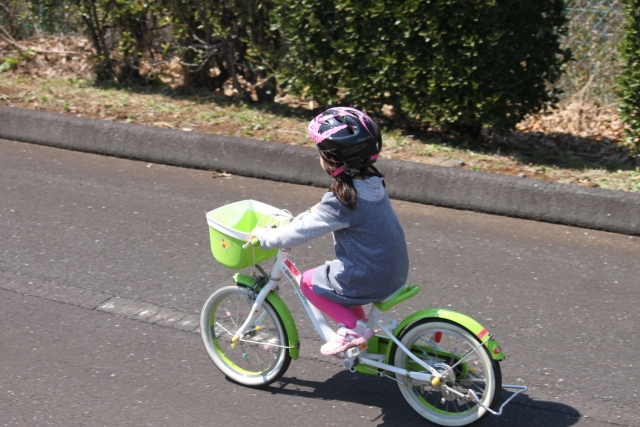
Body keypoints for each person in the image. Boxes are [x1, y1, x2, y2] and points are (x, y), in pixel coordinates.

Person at [251, 107, 409, 356]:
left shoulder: (343, 200)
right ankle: (356, 330)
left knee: (308, 282)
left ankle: (355, 330)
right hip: (394, 272)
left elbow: (300, 233)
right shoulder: (373, 183)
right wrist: (303, 217)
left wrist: (265, 237)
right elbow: (317, 216)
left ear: (333, 159)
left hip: (369, 277)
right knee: (335, 277)